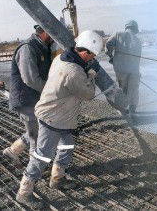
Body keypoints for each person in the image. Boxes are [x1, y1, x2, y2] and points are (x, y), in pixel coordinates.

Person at [15, 30, 103, 209]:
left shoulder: (62, 57)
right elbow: (88, 93)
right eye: (92, 56)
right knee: (42, 155)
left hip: (59, 116)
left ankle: (57, 177)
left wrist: (86, 69)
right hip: (54, 118)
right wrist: (92, 73)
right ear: (85, 52)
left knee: (67, 145)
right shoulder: (74, 71)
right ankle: (24, 192)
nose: (91, 59)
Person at [3, 25, 54, 166]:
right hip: (25, 99)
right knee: (36, 137)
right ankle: (34, 171)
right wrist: (51, 91)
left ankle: (12, 151)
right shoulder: (28, 48)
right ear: (45, 32)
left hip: (35, 98)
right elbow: (30, 78)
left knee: (38, 129)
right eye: (52, 35)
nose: (54, 39)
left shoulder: (43, 46)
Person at [105, 20, 142, 116]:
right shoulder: (138, 41)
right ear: (135, 29)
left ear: (126, 27)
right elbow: (138, 59)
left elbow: (108, 44)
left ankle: (122, 109)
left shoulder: (117, 34)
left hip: (121, 70)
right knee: (133, 90)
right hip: (134, 71)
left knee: (122, 89)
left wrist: (110, 55)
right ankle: (132, 111)